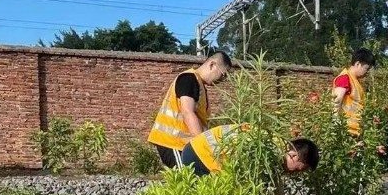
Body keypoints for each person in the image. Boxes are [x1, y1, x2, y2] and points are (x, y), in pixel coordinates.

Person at [147, 51, 232, 168]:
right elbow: (188, 112)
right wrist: (204, 145)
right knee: (186, 179)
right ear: (212, 65)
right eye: (223, 74)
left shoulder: (199, 85)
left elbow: (200, 119)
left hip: (183, 144)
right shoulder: (189, 79)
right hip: (173, 142)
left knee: (194, 179)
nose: (223, 79)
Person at [181, 124, 320, 177]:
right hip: (200, 155)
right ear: (294, 155)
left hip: (200, 151)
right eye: (298, 170)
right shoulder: (269, 149)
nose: (294, 174)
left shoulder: (276, 148)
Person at [332, 48, 375, 136]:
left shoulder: (356, 81)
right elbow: (336, 100)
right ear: (357, 64)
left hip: (355, 131)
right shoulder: (345, 78)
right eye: (366, 68)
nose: (367, 72)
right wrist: (336, 123)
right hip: (346, 131)